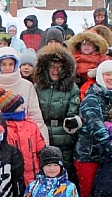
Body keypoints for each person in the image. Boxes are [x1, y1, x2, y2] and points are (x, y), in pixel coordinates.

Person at [75, 61, 112, 197]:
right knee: (87, 196)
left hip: (106, 157)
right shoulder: (92, 98)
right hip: (88, 156)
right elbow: (95, 125)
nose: (111, 78)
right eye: (107, 74)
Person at [0, 47, 48, 143]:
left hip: (24, 141)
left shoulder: (27, 86)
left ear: (16, 64)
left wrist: (44, 146)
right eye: (3, 64)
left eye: (11, 64)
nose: (7, 68)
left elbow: (36, 118)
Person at [34, 44, 81, 178]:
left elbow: (73, 112)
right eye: (52, 66)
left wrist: (72, 122)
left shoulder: (72, 89)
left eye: (59, 67)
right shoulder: (37, 87)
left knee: (63, 171)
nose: (55, 70)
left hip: (64, 138)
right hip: (42, 135)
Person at [0, 88, 45, 185]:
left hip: (35, 176)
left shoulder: (31, 125)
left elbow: (41, 149)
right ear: (11, 109)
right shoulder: (3, 130)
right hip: (14, 179)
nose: (23, 107)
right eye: (19, 105)